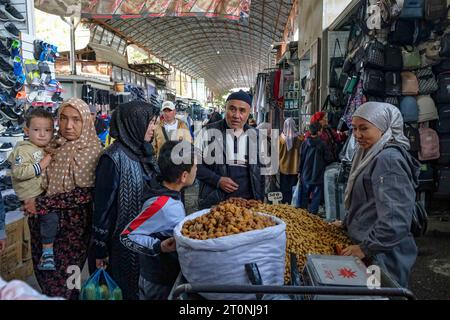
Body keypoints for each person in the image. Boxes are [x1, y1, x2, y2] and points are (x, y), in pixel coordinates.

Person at [24, 98, 102, 299]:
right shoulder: (53, 145)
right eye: (64, 118)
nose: (68, 126)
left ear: (86, 121)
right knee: (46, 279)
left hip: (72, 233)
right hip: (42, 227)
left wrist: (40, 204)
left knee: (65, 285)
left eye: (76, 120)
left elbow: (85, 194)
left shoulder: (93, 151)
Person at [336, 102, 419, 288]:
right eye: (355, 128)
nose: (357, 135)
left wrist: (364, 248)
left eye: (364, 128)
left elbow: (395, 220)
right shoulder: (371, 154)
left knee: (380, 295)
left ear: (384, 128)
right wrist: (347, 223)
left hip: (383, 255)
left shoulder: (388, 160)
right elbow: (368, 202)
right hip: (373, 248)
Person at [93, 101, 160, 300]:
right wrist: (100, 249)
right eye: (151, 123)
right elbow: (102, 209)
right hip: (120, 246)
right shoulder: (112, 158)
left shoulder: (143, 152)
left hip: (144, 242)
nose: (154, 128)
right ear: (135, 122)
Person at [120, 140, 197, 300]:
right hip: (158, 280)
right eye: (195, 167)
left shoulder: (169, 190)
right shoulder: (162, 204)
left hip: (169, 274)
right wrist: (158, 246)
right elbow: (127, 236)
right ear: (184, 176)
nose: (197, 169)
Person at [197, 90, 264, 209]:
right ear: (225, 108)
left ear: (249, 113)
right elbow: (193, 165)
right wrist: (217, 180)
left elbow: (262, 173)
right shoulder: (206, 133)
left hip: (248, 205)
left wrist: (260, 200)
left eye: (242, 111)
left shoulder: (257, 137)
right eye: (232, 109)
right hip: (215, 205)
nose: (236, 115)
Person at [8, 108, 54, 270]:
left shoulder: (43, 147)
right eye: (36, 130)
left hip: (39, 193)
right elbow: (18, 172)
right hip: (32, 195)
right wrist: (42, 164)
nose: (42, 134)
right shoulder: (23, 149)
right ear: (26, 131)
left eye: (47, 130)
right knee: (50, 218)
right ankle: (47, 252)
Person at [297, 122, 334, 214]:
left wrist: (299, 171)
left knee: (304, 196)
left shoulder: (305, 143)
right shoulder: (322, 144)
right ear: (318, 132)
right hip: (318, 175)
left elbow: (301, 158)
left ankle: (303, 215)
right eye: (321, 130)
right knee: (316, 197)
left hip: (305, 174)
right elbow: (329, 158)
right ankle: (313, 216)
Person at [279, 118, 302, 204]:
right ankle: (293, 203)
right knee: (294, 187)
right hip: (295, 168)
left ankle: (285, 203)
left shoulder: (280, 139)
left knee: (284, 187)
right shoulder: (300, 138)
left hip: (283, 167)